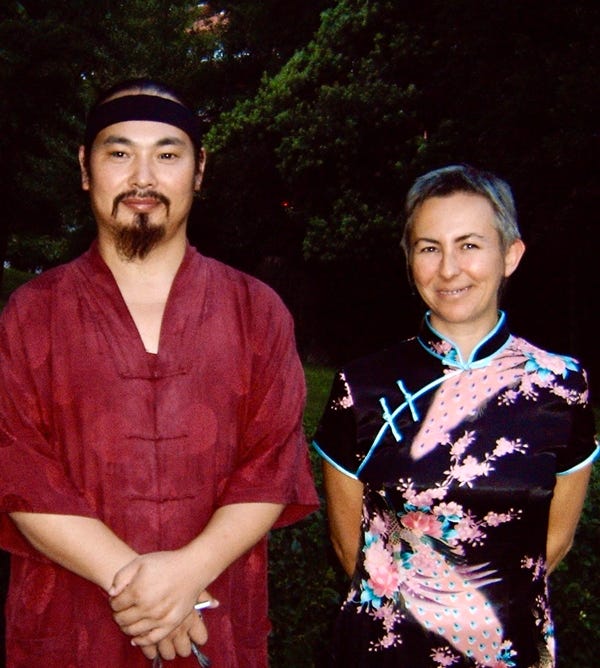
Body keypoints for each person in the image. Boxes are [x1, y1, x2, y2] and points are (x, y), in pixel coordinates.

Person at [0, 78, 318, 667]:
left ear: (199, 170)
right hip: (69, 627)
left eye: (168, 154)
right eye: (119, 153)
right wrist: (146, 588)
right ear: (85, 168)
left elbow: (271, 464)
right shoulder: (30, 316)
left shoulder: (257, 312)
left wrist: (188, 572)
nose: (143, 177)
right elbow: (17, 465)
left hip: (214, 624)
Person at [313, 164, 598, 667]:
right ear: (409, 261)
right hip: (388, 650)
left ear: (510, 255)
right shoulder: (361, 386)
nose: (448, 269)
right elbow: (347, 546)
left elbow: (554, 541)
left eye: (469, 245)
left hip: (509, 648)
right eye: (429, 247)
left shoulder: (562, 385)